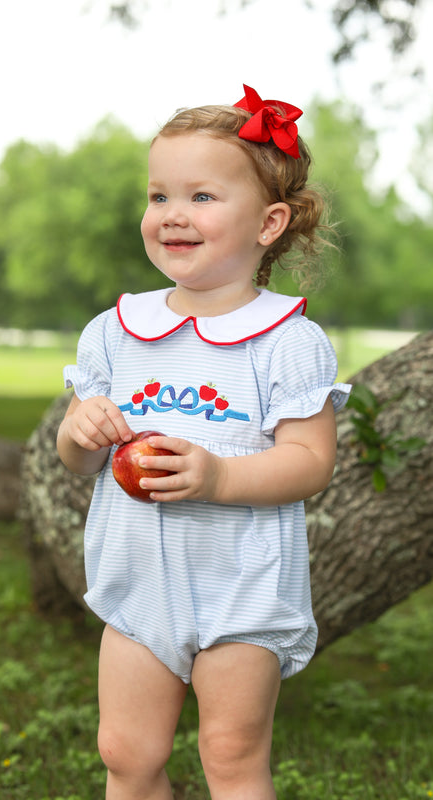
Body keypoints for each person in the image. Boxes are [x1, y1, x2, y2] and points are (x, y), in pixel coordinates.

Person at [57, 83, 351, 800]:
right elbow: (79, 462)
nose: (173, 216)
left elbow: (310, 462)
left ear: (268, 221)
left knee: (230, 753)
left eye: (201, 197)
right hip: (137, 587)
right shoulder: (114, 331)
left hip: (242, 590)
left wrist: (218, 477)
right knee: (125, 752)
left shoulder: (286, 341)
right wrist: (80, 432)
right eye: (159, 197)